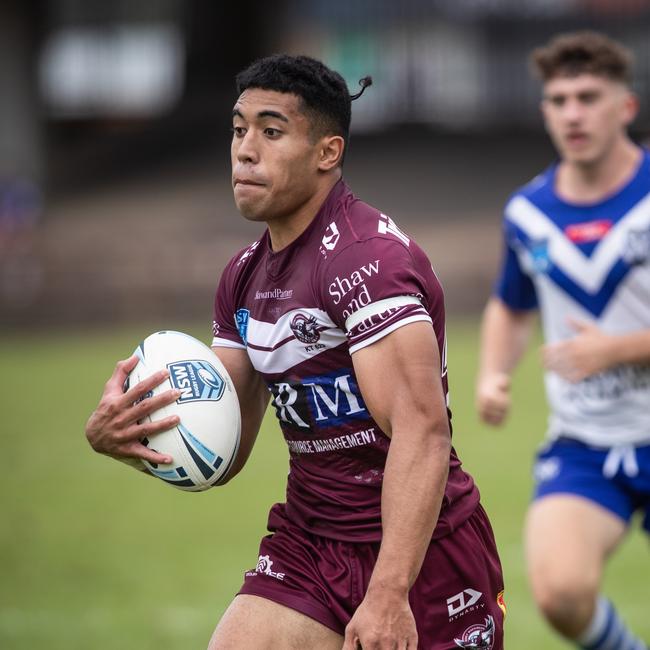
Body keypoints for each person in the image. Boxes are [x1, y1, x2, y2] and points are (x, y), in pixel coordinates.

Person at [86, 54, 505, 650]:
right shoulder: (243, 277)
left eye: (271, 130)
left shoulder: (367, 261)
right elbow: (221, 449)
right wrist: (130, 436)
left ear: (327, 153)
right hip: (309, 541)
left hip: (421, 551)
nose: (245, 150)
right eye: (239, 129)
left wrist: (388, 594)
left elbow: (423, 432)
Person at [476, 31, 650, 650]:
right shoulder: (528, 212)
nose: (572, 113)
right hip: (586, 441)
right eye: (558, 99)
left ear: (625, 107)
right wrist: (494, 374)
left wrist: (619, 348)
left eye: (587, 97)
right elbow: (509, 304)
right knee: (559, 594)